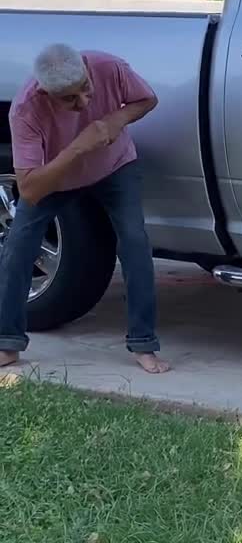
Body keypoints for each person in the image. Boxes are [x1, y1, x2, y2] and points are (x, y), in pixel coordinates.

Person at [0, 43, 170, 374]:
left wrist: (115, 120)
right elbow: (32, 188)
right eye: (70, 99)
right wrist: (79, 147)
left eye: (86, 89)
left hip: (115, 166)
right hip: (56, 180)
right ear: (45, 93)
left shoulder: (108, 66)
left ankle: (144, 343)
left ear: (87, 70)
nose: (84, 102)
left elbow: (146, 99)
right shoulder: (25, 110)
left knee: (135, 243)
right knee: (18, 249)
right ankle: (8, 343)